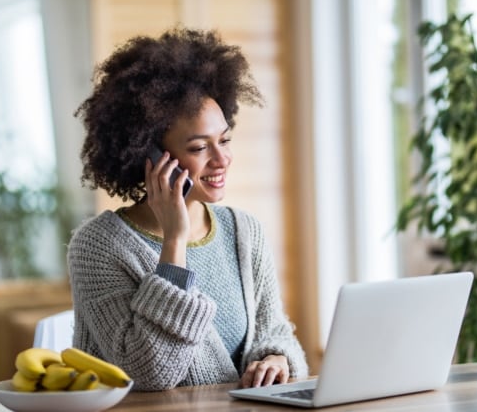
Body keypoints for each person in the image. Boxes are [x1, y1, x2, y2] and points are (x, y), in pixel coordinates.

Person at [68, 27, 308, 392]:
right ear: (149, 156)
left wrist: (276, 359)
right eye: (199, 148)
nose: (222, 159)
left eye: (224, 139)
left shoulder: (244, 231)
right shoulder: (98, 246)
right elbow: (148, 372)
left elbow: (273, 330)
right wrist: (174, 242)